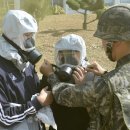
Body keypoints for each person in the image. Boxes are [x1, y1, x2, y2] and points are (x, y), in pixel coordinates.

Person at [39, 5, 130, 130]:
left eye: (104, 39)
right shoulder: (112, 78)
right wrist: (105, 73)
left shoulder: (107, 84)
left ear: (117, 41)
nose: (102, 44)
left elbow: (63, 95)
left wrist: (50, 75)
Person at [0, 10, 53, 130]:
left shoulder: (26, 61)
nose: (31, 41)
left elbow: (34, 93)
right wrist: (37, 103)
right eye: (26, 35)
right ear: (13, 35)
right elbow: (3, 117)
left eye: (32, 35)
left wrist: (47, 77)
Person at [40, 34, 90, 130]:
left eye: (73, 54)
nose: (68, 59)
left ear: (82, 54)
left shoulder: (90, 76)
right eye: (64, 54)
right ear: (58, 54)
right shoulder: (51, 74)